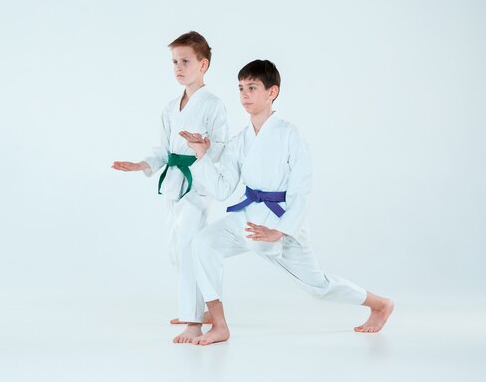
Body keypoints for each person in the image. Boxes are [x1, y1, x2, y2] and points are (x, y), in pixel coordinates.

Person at [177, 59, 393, 345]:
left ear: (272, 92)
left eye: (252, 88)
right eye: (241, 88)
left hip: (281, 220)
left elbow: (302, 190)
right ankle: (218, 323)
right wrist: (202, 154)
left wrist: (282, 229)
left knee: (318, 286)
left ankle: (380, 304)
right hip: (248, 217)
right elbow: (222, 189)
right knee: (203, 243)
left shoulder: (291, 135)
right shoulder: (240, 141)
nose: (244, 95)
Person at [112, 31, 228, 328]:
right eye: (174, 61)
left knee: (189, 247)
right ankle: (197, 307)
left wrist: (203, 147)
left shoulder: (213, 104)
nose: (178, 67)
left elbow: (222, 147)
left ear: (203, 65)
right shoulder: (169, 108)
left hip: (198, 184)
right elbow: (162, 151)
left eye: (185, 61)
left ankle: (193, 320)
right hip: (173, 183)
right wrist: (141, 164)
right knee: (176, 250)